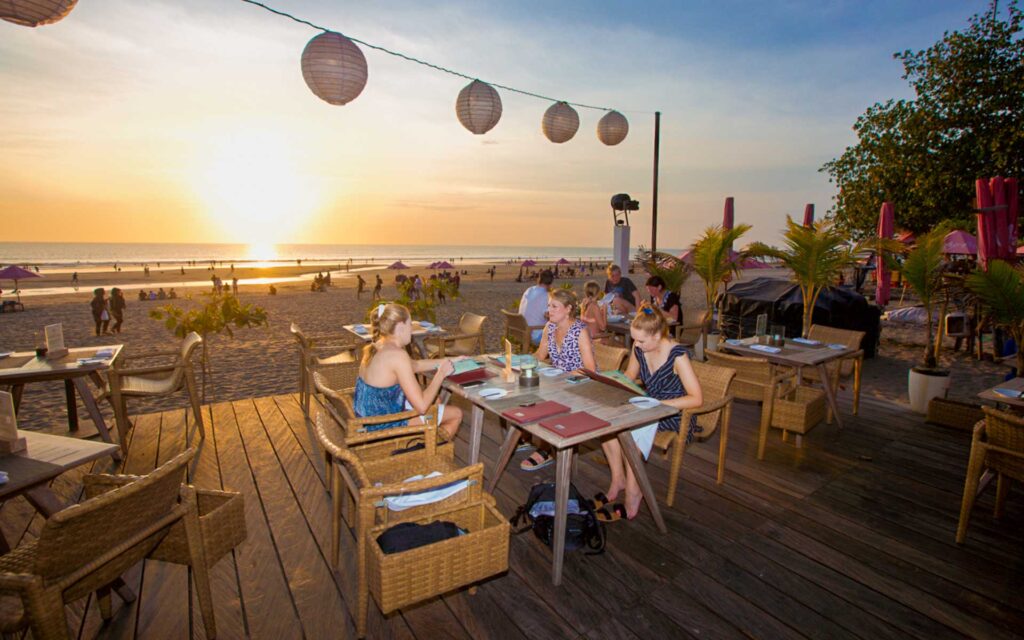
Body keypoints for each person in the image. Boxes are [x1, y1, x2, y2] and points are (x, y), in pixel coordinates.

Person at [600, 304, 703, 520]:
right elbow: (630, 374)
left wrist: (658, 405)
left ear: (657, 335)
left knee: (630, 437)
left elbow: (696, 398)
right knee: (605, 425)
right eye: (634, 339)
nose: (636, 345)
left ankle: (633, 493)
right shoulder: (640, 350)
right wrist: (609, 380)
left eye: (641, 340)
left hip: (674, 412)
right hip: (649, 406)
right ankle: (618, 479)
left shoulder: (678, 355)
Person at [353, 303, 463, 440]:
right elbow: (422, 407)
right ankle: (428, 454)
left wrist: (452, 361)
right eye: (410, 324)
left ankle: (421, 443)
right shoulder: (397, 355)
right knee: (456, 414)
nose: (411, 329)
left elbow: (415, 365)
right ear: (400, 327)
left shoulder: (378, 345)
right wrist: (440, 374)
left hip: (370, 417)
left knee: (436, 400)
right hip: (382, 426)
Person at [520, 288, 598, 471]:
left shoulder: (579, 332)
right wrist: (521, 362)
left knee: (542, 399)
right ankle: (532, 438)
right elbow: (540, 354)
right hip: (559, 383)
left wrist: (564, 378)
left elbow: (590, 369)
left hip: (582, 384)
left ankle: (544, 449)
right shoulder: (550, 327)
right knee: (526, 392)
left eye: (554, 306)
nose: (549, 310)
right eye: (549, 306)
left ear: (568, 309)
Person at [517, 270, 553, 346]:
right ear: (551, 282)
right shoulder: (546, 296)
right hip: (534, 334)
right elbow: (549, 316)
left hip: (520, 331)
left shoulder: (529, 290)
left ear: (539, 279)